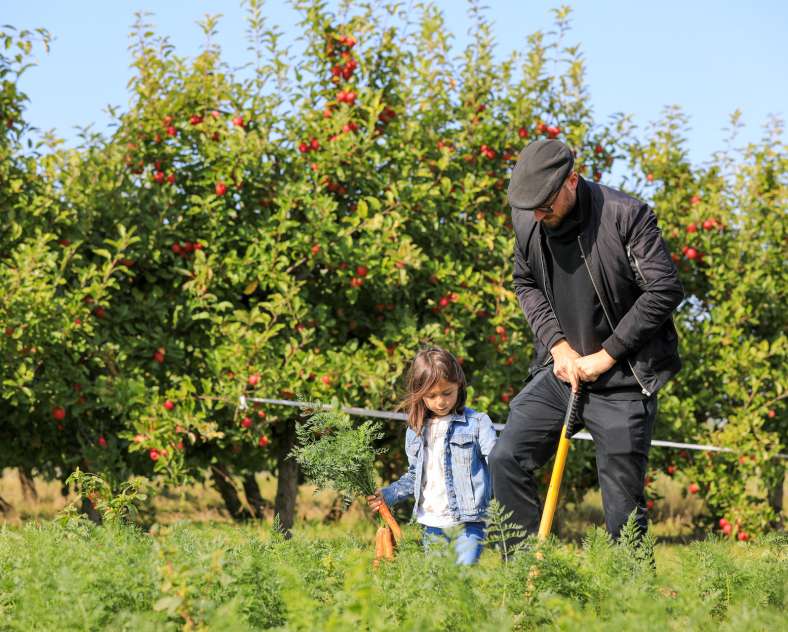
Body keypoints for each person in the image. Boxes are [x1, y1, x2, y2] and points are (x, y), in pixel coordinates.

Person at [489, 139, 683, 542]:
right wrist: (558, 346)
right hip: (561, 373)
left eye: (546, 204)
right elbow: (525, 283)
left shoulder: (626, 216)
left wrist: (606, 355)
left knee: (621, 510)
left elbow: (663, 290)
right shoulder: (528, 218)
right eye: (531, 208)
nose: (539, 215)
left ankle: (632, 602)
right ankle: (523, 579)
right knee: (506, 458)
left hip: (624, 381)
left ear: (572, 180)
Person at [367, 347, 498, 565]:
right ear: (420, 394)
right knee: (438, 585)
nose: (441, 401)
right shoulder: (416, 430)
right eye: (432, 396)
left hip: (469, 521)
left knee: (461, 578)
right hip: (432, 523)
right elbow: (414, 476)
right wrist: (388, 495)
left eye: (447, 393)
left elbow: (497, 461)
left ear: (459, 385)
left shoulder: (477, 423)